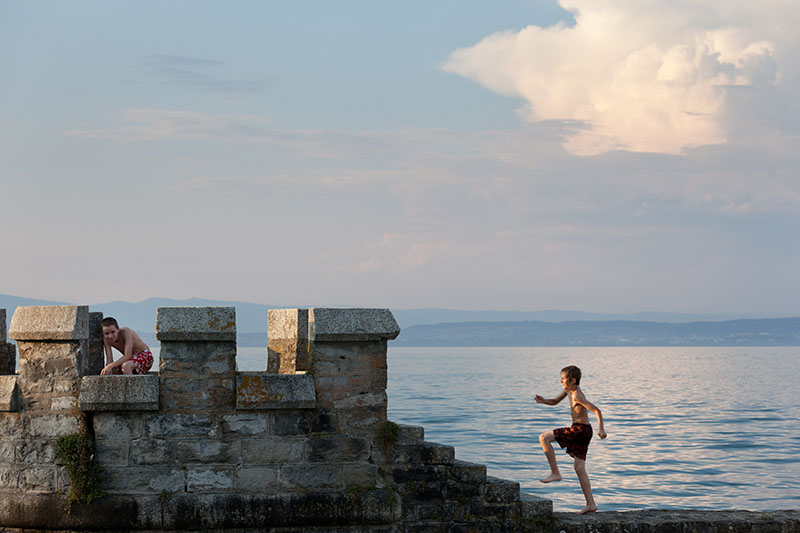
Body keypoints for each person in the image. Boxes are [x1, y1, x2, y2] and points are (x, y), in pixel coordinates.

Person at [535, 365, 607, 514]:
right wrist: (543, 401)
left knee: (544, 437)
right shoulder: (568, 390)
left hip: (580, 430)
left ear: (573, 380)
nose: (561, 381)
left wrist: (602, 430)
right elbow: (555, 401)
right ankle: (591, 504)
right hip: (584, 430)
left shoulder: (577, 396)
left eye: (563, 378)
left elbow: (596, 410)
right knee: (579, 468)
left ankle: (555, 473)